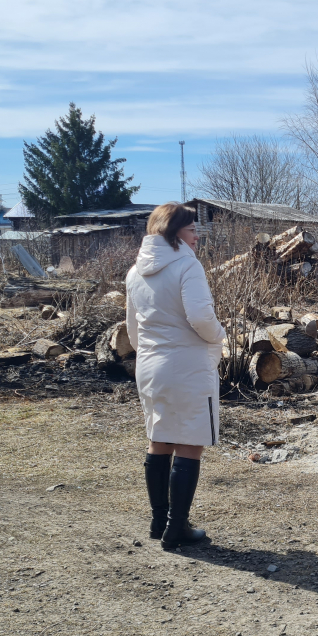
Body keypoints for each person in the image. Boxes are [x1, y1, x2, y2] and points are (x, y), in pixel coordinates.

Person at [125, 202, 227, 550]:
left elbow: (132, 328)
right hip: (187, 364)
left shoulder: (135, 272)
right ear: (173, 231)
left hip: (151, 365)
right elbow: (200, 317)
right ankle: (176, 527)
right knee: (189, 440)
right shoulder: (187, 265)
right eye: (191, 229)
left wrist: (150, 354)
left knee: (160, 437)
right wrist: (219, 334)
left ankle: (159, 520)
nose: (197, 236)